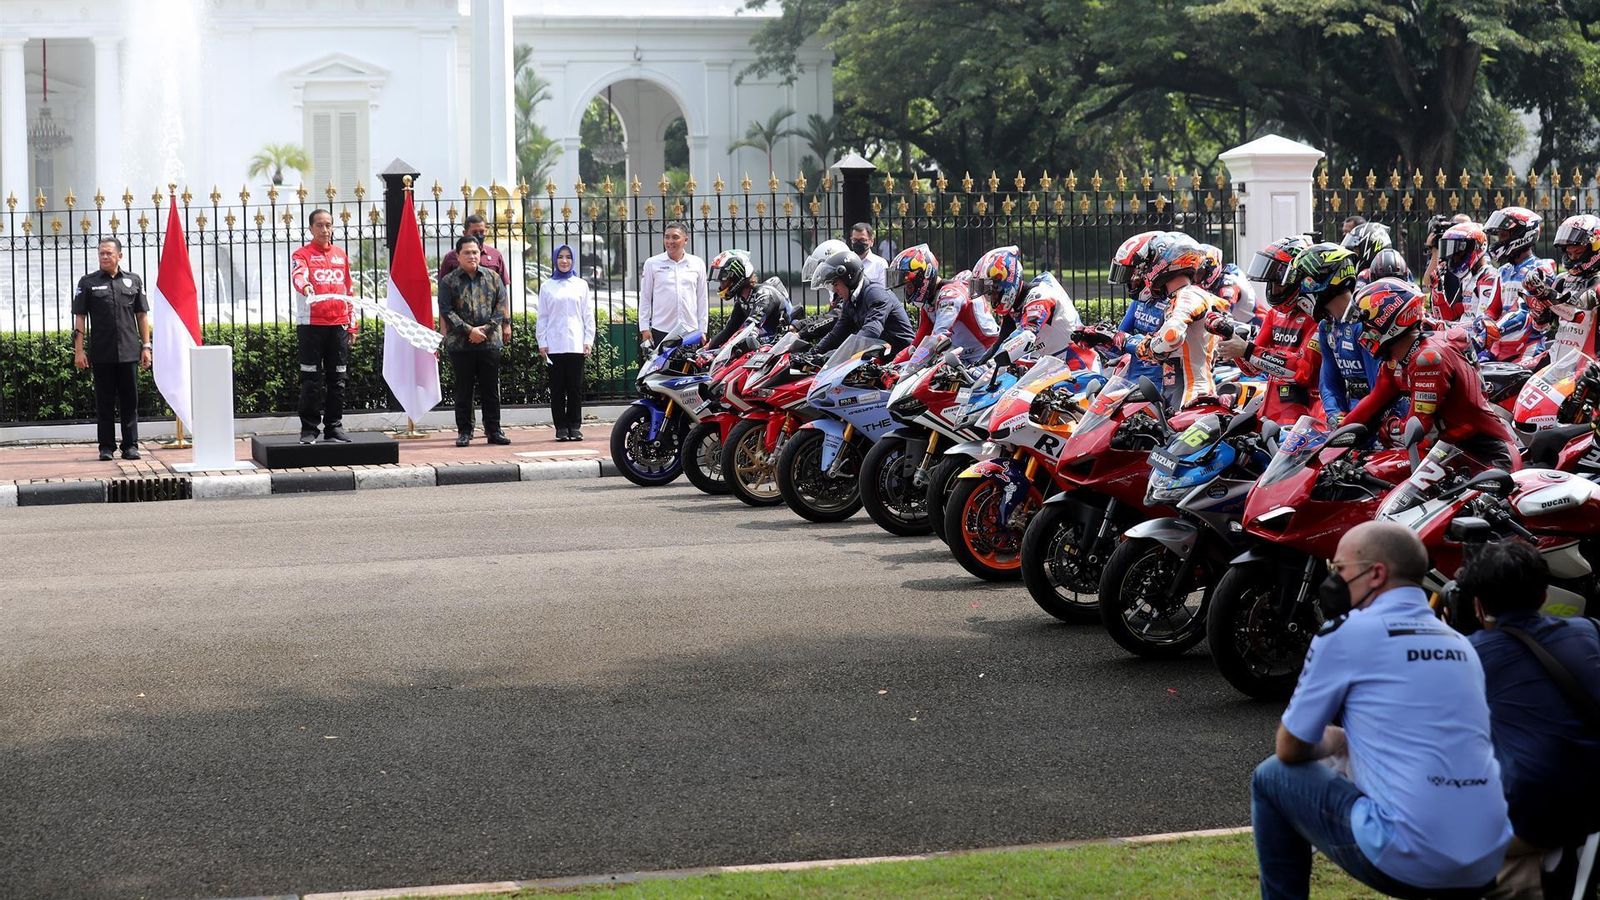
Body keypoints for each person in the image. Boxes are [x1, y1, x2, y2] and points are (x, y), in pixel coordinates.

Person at [1251, 520, 1511, 900]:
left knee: (1272, 776)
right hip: (1488, 856)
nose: (1334, 582)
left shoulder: (1347, 633)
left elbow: (1290, 746)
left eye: (1340, 570)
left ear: (1375, 574)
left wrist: (1339, 740)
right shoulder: (1460, 643)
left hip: (1412, 857)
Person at [1457, 541, 1600, 899]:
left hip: (1541, 819)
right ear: (1543, 595)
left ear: (1478, 604)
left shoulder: (1471, 656)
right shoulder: (1588, 631)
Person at [1342, 277, 1521, 470]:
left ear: (1386, 321)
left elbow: (1418, 432)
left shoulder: (1428, 359)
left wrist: (1387, 427)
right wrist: (1330, 442)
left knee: (1383, 472)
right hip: (1451, 456)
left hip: (1488, 458)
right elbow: (1371, 404)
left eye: (1366, 326)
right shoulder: (1396, 361)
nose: (1362, 334)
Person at [1219, 237, 1326, 425]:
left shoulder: (1318, 319)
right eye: (1271, 283)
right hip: (1269, 414)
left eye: (1279, 283)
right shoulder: (1274, 315)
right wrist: (1231, 341)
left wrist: (1247, 350)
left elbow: (1303, 372)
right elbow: (1252, 368)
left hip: (1303, 418)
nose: (1274, 289)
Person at [71, 237, 150, 461]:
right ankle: (106, 447)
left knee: (130, 401)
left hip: (128, 352)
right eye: (101, 253)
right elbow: (80, 317)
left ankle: (130, 445)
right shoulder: (88, 282)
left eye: (108, 253)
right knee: (104, 402)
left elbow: (142, 315)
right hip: (102, 352)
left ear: (119, 256)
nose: (104, 257)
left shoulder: (133, 281)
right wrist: (79, 350)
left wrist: (146, 346)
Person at [1135, 232, 1233, 407]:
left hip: (1192, 397)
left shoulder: (1188, 294)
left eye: (1149, 263)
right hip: (1180, 395)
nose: (1144, 271)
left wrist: (1149, 346)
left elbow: (1171, 337)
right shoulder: (1181, 297)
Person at [290, 209, 358, 444]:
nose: (324, 229)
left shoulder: (341, 254)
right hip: (311, 325)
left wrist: (352, 324)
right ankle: (309, 429)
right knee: (311, 379)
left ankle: (334, 427)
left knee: (338, 379)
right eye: (319, 225)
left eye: (328, 225)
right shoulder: (302, 254)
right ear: (310, 228)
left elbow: (349, 290)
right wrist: (306, 287)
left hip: (338, 325)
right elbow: (298, 276)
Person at [439, 235, 510, 447]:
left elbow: (500, 307)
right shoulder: (448, 281)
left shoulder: (493, 278)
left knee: (491, 389)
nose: (472, 256)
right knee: (463, 390)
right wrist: (469, 330)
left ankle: (494, 430)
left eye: (475, 252)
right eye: (467, 253)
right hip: (461, 344)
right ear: (458, 256)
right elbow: (446, 310)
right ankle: (464, 431)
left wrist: (486, 330)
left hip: (489, 343)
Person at [891, 244, 999, 364]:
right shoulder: (929, 302)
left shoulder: (950, 295)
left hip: (987, 359)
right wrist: (891, 366)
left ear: (923, 276)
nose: (907, 291)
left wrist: (910, 365)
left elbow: (938, 336)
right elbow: (917, 344)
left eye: (909, 286)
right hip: (964, 362)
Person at [536, 243, 594, 442]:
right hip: (554, 344)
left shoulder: (581, 285)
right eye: (560, 257)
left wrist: (588, 339)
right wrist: (542, 341)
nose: (564, 261)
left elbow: (588, 315)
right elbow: (542, 317)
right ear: (554, 260)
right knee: (558, 388)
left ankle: (575, 426)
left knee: (575, 388)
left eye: (568, 257)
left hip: (576, 343)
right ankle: (561, 427)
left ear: (573, 260)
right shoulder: (547, 286)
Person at [810, 250, 915, 356]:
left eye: (835, 284)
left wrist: (840, 354)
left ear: (848, 278)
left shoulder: (875, 293)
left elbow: (871, 330)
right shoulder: (850, 301)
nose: (834, 290)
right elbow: (838, 333)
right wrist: (814, 352)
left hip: (903, 358)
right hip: (882, 357)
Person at [439, 214, 513, 347]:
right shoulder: (450, 258)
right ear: (465, 232)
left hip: (490, 336)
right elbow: (444, 299)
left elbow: (502, 295)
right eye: (475, 232)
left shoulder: (495, 255)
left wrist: (506, 323)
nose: (479, 235)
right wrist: (445, 328)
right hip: (459, 336)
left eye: (482, 232)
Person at [638, 221, 708, 352]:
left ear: (685, 240)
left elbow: (702, 298)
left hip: (690, 331)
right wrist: (644, 328)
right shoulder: (652, 263)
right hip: (662, 330)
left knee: (688, 371)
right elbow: (645, 298)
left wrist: (702, 329)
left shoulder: (697, 263)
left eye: (675, 237)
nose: (670, 241)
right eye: (667, 237)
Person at [706, 249, 793, 349]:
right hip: (765, 350)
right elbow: (729, 330)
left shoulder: (764, 294)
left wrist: (723, 349)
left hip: (783, 349)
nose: (721, 286)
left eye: (724, 280)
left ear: (737, 277)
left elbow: (749, 327)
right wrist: (705, 349)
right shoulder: (742, 300)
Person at [1432, 221, 1504, 324]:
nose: (1454, 258)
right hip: (1460, 336)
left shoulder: (1488, 278)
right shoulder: (1467, 279)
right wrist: (1437, 292)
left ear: (1476, 247)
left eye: (1459, 253)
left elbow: (1483, 324)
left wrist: (1449, 327)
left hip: (1475, 338)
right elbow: (1450, 317)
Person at [850, 222, 889, 287]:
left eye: (862, 240)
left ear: (871, 241)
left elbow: (884, 290)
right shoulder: (845, 261)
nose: (858, 243)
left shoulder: (880, 263)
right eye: (855, 240)